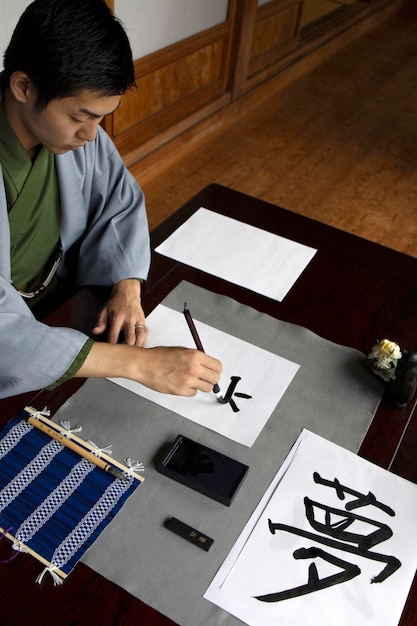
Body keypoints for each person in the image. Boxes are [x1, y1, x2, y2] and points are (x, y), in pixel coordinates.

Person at [0, 0, 221, 399]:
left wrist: (126, 286)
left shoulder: (70, 134)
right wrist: (139, 364)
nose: (91, 135)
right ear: (23, 87)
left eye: (101, 117)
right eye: (79, 117)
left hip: (61, 311)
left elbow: (118, 202)